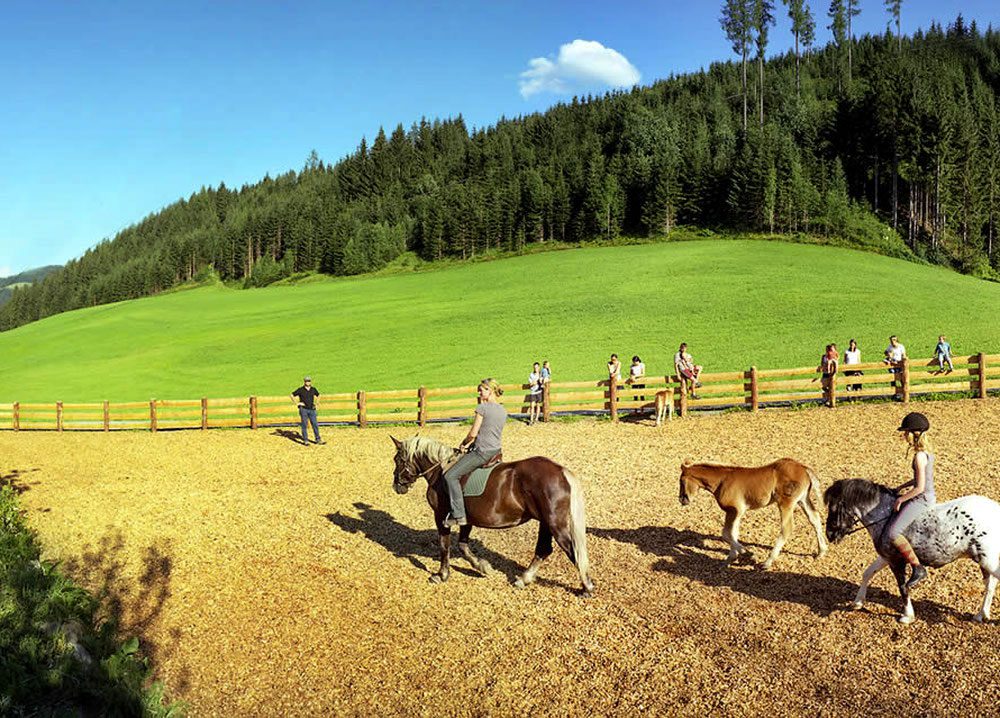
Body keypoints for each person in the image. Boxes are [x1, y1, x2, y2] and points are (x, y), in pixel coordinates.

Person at [442, 379, 507, 528]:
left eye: (482, 390)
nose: (479, 393)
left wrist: (464, 443)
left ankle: (458, 515)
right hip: (496, 451)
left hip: (482, 452)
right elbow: (490, 431)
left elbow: (473, 433)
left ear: (490, 390)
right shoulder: (502, 410)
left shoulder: (482, 408)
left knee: (450, 476)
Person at [886, 412, 937, 590]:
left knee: (893, 533)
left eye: (905, 432)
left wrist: (901, 499)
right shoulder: (926, 453)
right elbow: (919, 478)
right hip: (928, 495)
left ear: (912, 433)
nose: (903, 435)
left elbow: (920, 487)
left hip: (922, 499)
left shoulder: (918, 456)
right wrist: (901, 486)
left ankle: (917, 567)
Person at [290, 376, 324, 445]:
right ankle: (306, 440)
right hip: (304, 410)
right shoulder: (301, 390)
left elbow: (319, 395)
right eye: (306, 381)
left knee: (315, 424)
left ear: (311, 382)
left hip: (312, 409)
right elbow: (291, 395)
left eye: (309, 381)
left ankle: (318, 439)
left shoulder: (313, 389)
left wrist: (317, 403)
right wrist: (297, 403)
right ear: (304, 382)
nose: (308, 382)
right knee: (304, 425)